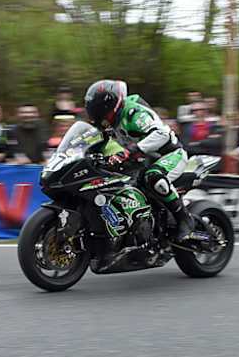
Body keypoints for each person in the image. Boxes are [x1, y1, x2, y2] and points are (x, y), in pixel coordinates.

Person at [84, 79, 195, 241]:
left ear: (112, 105)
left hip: (169, 154)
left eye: (100, 111)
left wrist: (132, 150)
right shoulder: (107, 121)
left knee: (154, 177)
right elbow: (95, 140)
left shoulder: (134, 113)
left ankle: (184, 219)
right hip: (142, 160)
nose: (98, 116)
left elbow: (161, 134)